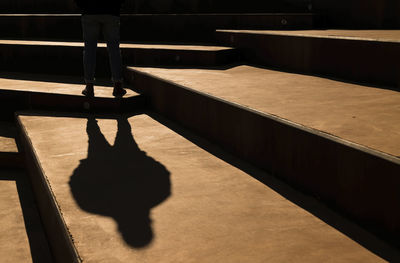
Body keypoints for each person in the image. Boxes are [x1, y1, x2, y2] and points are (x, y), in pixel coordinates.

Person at [74, 0, 126, 97]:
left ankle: (89, 86)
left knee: (89, 50)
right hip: (111, 10)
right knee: (114, 49)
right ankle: (117, 85)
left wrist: (82, 6)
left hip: (90, 10)